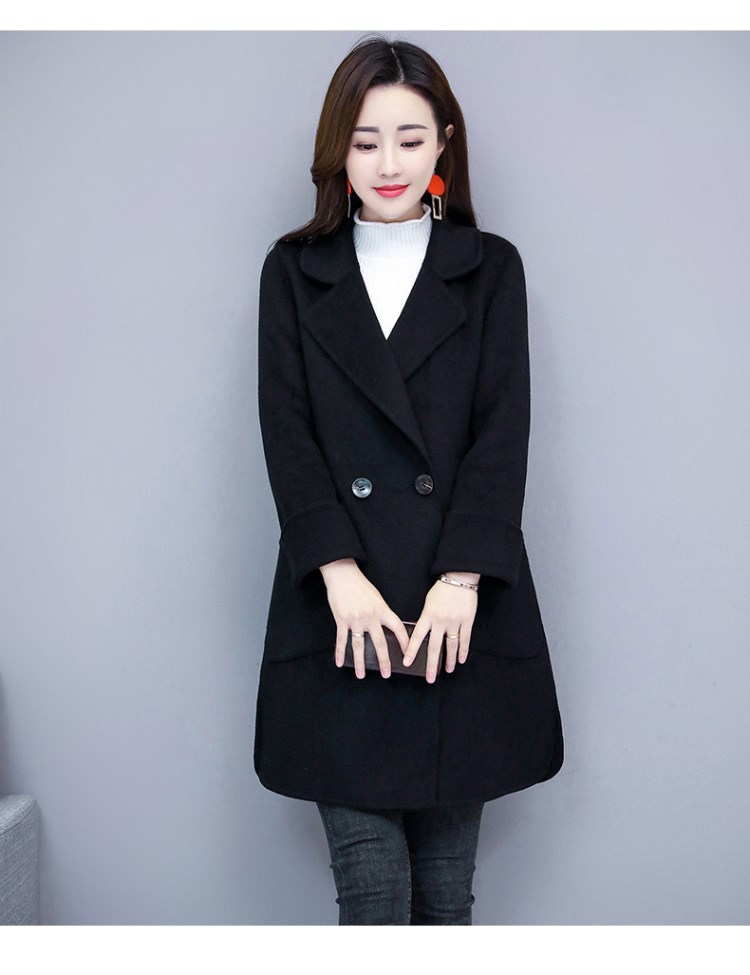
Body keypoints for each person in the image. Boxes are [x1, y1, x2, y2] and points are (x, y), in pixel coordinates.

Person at [253, 34, 564, 925]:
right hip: (340, 613)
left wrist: (462, 580)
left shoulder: (490, 268)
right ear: (336, 151)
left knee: (444, 895)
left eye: (409, 138)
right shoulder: (294, 272)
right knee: (375, 893)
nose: (387, 163)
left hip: (454, 616)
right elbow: (287, 432)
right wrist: (339, 574)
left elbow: (503, 432)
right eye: (364, 141)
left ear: (443, 145)